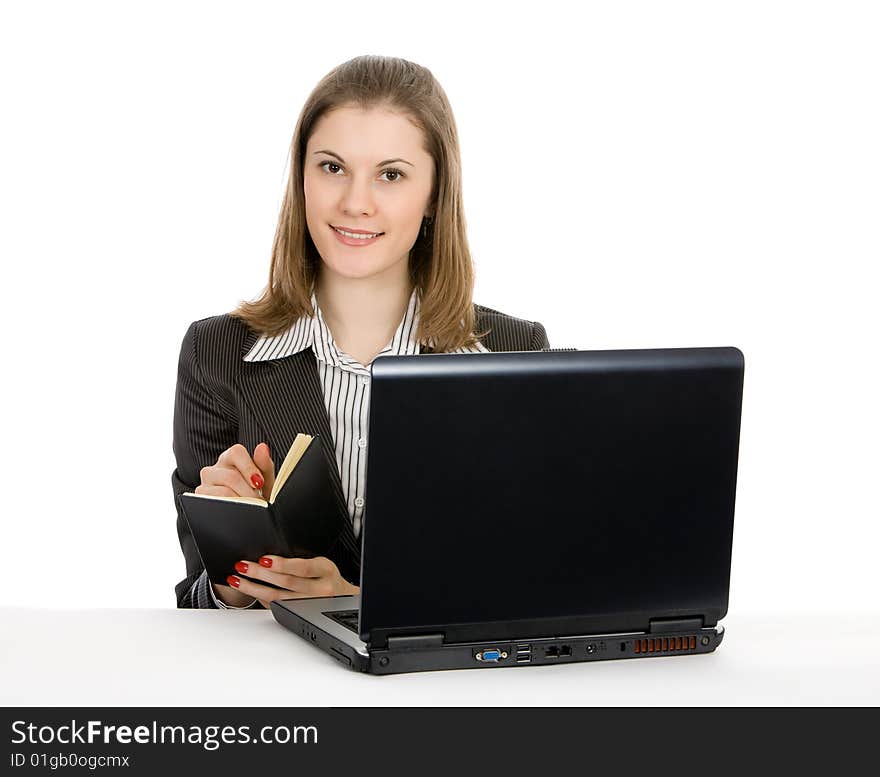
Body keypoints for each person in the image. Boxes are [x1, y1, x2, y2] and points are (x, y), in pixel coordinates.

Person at [172, 55, 550, 610]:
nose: (355, 201)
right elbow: (194, 599)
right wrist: (231, 578)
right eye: (332, 167)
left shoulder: (514, 354)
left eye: (391, 175)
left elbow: (533, 590)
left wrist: (355, 601)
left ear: (434, 196)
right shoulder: (216, 354)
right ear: (301, 177)